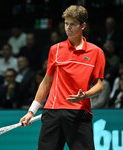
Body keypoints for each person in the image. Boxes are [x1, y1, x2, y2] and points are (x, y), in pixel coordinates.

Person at [20, 5, 105, 150]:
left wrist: (85, 95)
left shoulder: (96, 52)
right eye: (66, 23)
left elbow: (99, 85)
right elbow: (46, 82)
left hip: (79, 112)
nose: (68, 28)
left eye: (73, 24)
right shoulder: (56, 49)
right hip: (53, 111)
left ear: (83, 25)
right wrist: (31, 111)